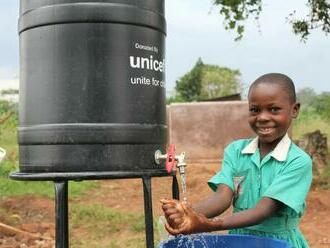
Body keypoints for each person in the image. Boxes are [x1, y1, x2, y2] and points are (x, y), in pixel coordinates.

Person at [161, 73, 312, 248]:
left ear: (294, 109)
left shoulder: (297, 161)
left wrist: (210, 225)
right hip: (239, 240)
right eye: (255, 110)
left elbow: (264, 209)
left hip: (279, 242)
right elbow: (223, 196)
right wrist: (188, 214)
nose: (262, 117)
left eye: (274, 109)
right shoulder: (236, 151)